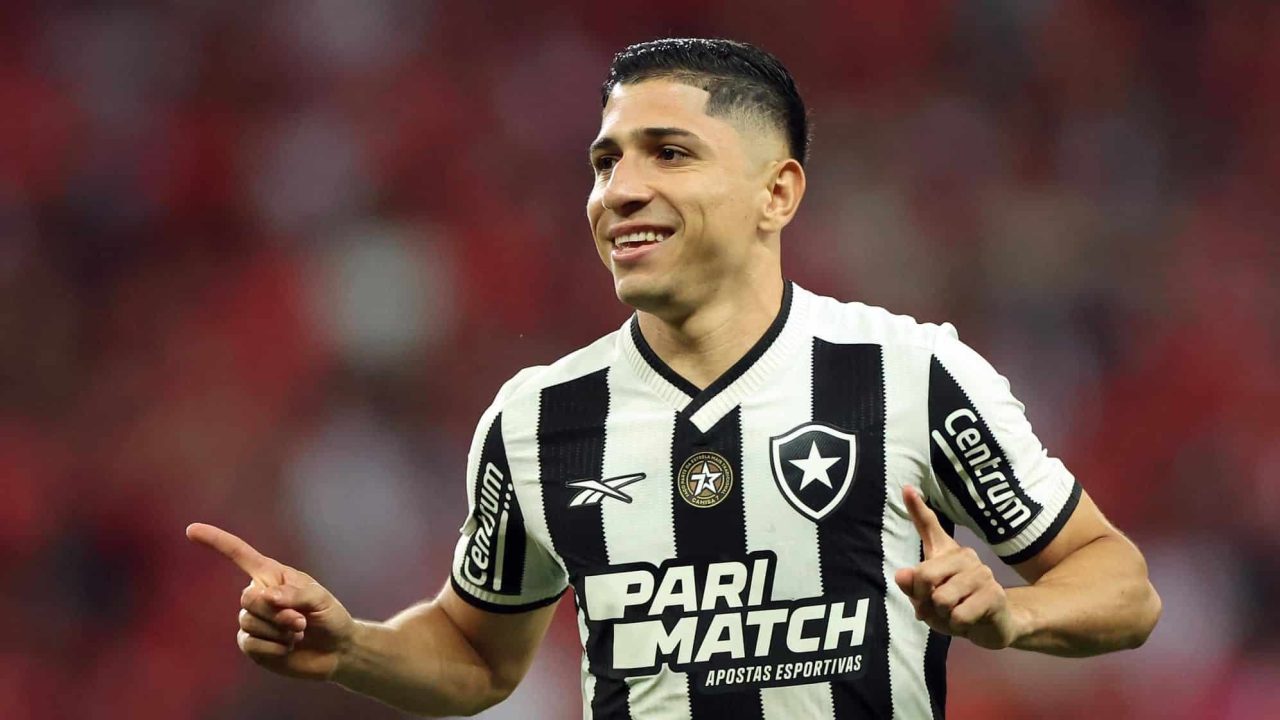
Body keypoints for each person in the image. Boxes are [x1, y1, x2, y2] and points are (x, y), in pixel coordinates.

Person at [187, 38, 1161, 719]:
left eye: (669, 153)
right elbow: (477, 654)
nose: (620, 190)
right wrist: (351, 647)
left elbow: (1119, 587)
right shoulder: (538, 420)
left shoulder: (906, 374)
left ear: (775, 193)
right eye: (604, 162)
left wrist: (1010, 613)